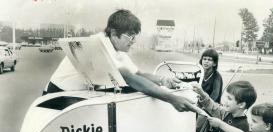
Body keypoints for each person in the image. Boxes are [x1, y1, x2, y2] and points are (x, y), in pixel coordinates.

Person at [43, 9, 196, 113]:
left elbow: (138, 74)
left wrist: (163, 79)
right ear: (115, 33)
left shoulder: (117, 50)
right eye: (131, 36)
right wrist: (172, 99)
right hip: (56, 97)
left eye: (136, 36)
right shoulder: (98, 45)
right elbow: (130, 79)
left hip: (77, 95)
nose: (134, 41)